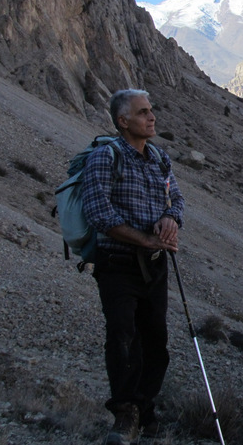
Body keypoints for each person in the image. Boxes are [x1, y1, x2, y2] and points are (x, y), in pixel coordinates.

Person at [82, 89, 185, 445]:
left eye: (151, 110)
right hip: (118, 264)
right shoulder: (104, 157)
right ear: (123, 121)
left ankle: (145, 406)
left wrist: (171, 220)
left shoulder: (159, 157)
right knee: (123, 337)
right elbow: (98, 214)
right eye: (143, 112)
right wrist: (146, 240)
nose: (152, 117)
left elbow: (177, 198)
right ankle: (125, 414)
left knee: (156, 341)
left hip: (155, 265)